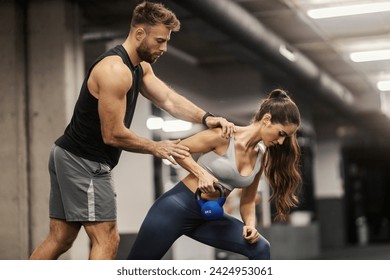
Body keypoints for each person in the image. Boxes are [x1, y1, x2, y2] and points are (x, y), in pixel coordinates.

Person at [29, 1, 235, 260]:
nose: (164, 48)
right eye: (160, 40)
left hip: (66, 153)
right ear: (139, 34)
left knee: (61, 238)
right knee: (107, 237)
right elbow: (112, 134)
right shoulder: (115, 70)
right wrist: (157, 146)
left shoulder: (139, 67)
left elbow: (169, 100)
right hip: (84, 161)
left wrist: (206, 118)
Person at [127, 89, 302, 260]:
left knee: (261, 248)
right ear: (267, 119)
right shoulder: (224, 135)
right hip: (175, 209)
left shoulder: (260, 156)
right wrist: (201, 173)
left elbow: (247, 201)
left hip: (210, 216)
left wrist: (250, 225)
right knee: (136, 267)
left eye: (286, 138)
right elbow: (178, 150)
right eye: (281, 134)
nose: (281, 141)